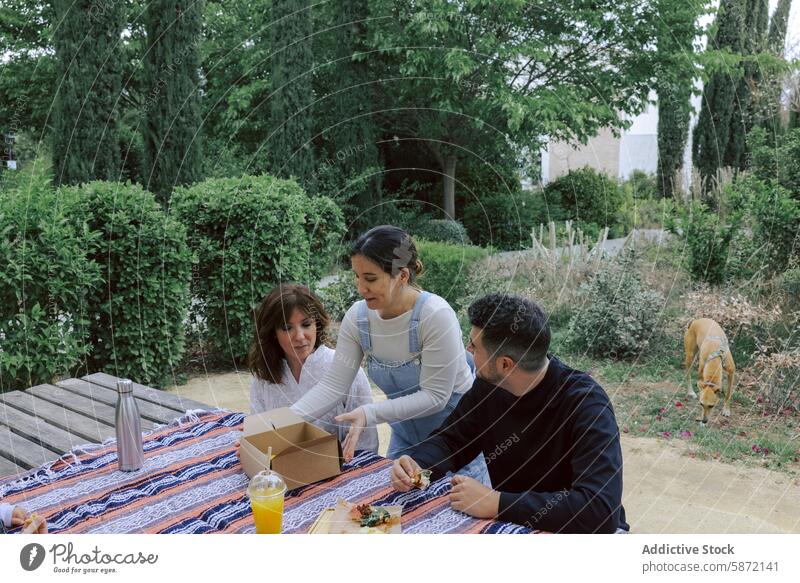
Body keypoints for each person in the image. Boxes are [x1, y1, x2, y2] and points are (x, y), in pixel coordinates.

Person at [390, 293, 629, 534]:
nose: (468, 349)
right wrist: (417, 464)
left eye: (474, 345)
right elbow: (452, 440)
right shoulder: (489, 387)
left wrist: (497, 503)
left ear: (505, 364)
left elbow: (599, 510)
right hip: (515, 525)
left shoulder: (586, 404)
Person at [291, 225, 488, 484]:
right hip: (405, 440)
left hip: (457, 442)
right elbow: (333, 386)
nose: (361, 288)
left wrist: (369, 413)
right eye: (357, 276)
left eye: (371, 279)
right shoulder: (358, 319)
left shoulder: (435, 315)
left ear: (402, 275)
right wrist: (275, 426)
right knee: (393, 513)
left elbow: (435, 397)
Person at [248, 284, 378, 453]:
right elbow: (258, 436)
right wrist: (253, 446)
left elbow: (365, 444)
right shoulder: (264, 377)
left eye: (306, 324)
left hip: (341, 470)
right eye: (287, 328)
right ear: (273, 332)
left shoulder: (345, 369)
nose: (300, 336)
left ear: (317, 324)